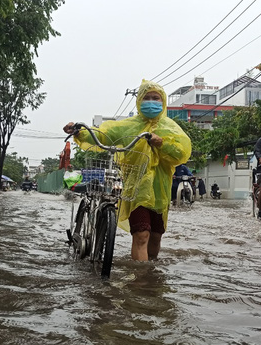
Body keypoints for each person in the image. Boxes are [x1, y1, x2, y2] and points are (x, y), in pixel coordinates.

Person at [63, 79, 191, 261]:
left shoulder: (171, 128)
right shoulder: (129, 126)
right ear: (139, 101)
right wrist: (80, 132)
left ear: (163, 102)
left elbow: (181, 153)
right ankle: (140, 282)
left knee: (155, 238)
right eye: (147, 98)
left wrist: (162, 143)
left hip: (160, 192)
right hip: (136, 190)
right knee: (141, 236)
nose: (152, 102)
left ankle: (149, 277)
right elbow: (104, 135)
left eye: (156, 98)